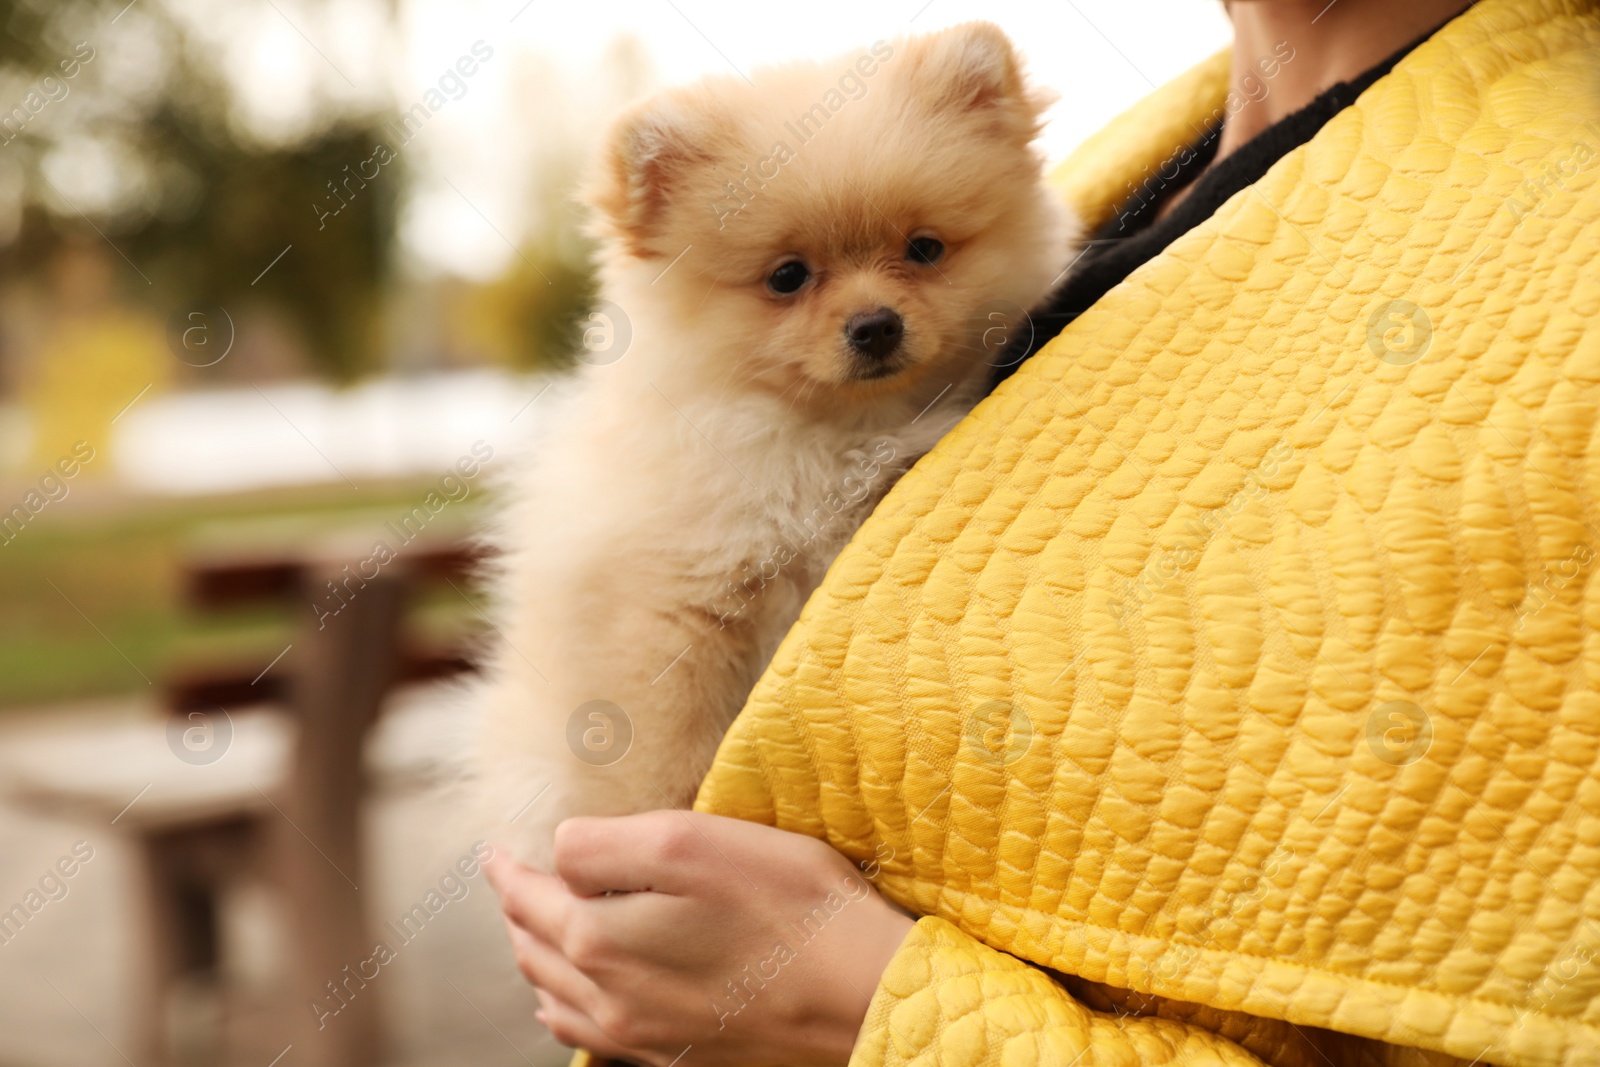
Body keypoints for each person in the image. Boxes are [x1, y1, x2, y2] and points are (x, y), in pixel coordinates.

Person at [486, 0, 1600, 1063]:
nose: (869, 307)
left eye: (919, 253)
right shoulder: (1136, 169)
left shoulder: (1555, 267)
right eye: (791, 277)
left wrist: (875, 1005)